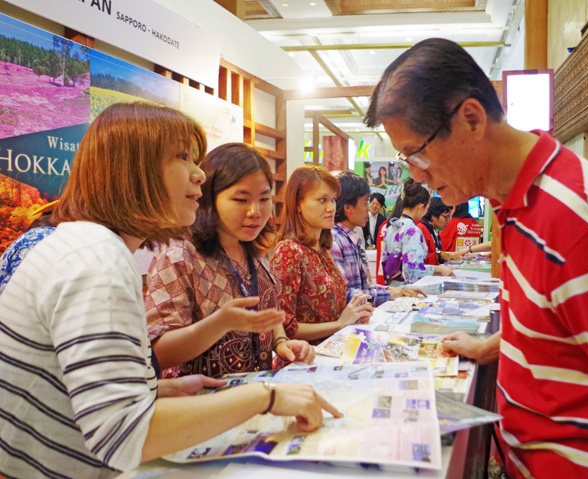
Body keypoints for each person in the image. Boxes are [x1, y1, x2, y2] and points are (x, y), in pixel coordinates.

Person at [366, 38, 588, 478]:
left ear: (472, 119)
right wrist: (489, 346)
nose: (416, 174)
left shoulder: (577, 217)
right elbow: (551, 320)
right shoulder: (511, 199)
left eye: (417, 153)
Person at [0, 103, 340, 479]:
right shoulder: (97, 261)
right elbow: (126, 435)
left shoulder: (79, 244)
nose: (198, 175)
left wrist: (154, 390)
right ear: (133, 170)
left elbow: (78, 388)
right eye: (182, 157)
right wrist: (265, 397)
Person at [145, 143, 313, 379]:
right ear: (210, 198)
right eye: (241, 200)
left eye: (264, 199)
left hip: (254, 396)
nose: (255, 211)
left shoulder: (256, 250)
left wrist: (282, 342)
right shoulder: (179, 255)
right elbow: (156, 352)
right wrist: (219, 324)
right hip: (200, 404)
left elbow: (266, 313)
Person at [272, 165, 373, 344]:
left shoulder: (323, 248)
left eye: (333, 200)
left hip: (332, 350)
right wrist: (340, 323)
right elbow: (286, 327)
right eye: (322, 200)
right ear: (298, 204)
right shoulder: (289, 251)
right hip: (304, 359)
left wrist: (354, 314)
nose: (331, 208)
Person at [330, 171, 425, 307]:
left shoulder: (351, 238)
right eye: (365, 203)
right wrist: (391, 293)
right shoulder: (334, 241)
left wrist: (395, 290)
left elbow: (364, 287)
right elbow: (342, 294)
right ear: (348, 208)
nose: (369, 209)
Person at [381, 179, 454, 285]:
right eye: (427, 208)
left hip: (393, 285)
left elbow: (385, 261)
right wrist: (438, 269)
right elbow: (413, 271)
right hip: (407, 287)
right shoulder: (412, 231)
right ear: (421, 207)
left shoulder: (391, 227)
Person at [418, 197, 464, 265]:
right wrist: (439, 255)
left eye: (449, 217)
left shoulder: (433, 230)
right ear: (434, 216)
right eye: (446, 217)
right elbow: (418, 258)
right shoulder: (420, 230)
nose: (448, 221)